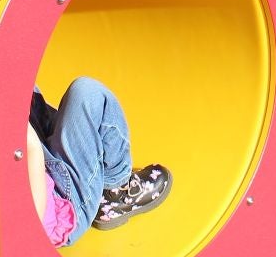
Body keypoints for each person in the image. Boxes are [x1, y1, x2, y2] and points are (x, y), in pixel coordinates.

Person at [26, 78, 173, 247]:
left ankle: (60, 134)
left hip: (42, 170)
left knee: (14, 84)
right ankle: (116, 192)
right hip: (62, 202)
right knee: (89, 95)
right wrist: (31, 144)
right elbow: (32, 225)